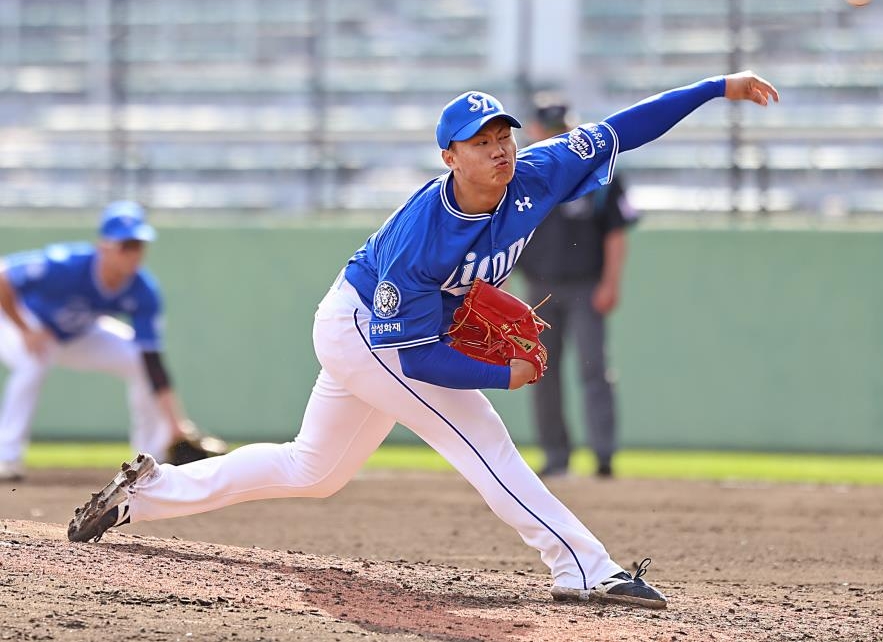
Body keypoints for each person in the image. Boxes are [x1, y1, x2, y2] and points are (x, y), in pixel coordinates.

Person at [67, 71, 780, 609]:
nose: (500, 149)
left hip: (393, 332)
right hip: (364, 330)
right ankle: (582, 567)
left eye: (503, 136)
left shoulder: (537, 171)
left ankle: (147, 493)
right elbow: (414, 358)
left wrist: (717, 87)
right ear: (450, 156)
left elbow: (627, 124)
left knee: (313, 470)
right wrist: (502, 378)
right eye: (482, 142)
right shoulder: (421, 238)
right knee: (482, 438)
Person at [0, 201, 223, 481]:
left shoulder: (143, 290)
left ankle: (149, 458)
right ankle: (6, 458)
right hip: (19, 322)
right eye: (125, 245)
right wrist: (24, 328)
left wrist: (176, 424)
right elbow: (3, 276)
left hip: (77, 332)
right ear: (104, 246)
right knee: (34, 362)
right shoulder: (67, 264)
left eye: (139, 245)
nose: (133, 254)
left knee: (136, 359)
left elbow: (152, 359)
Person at [516, 94, 638, 479]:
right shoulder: (519, 175)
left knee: (593, 368)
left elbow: (616, 234)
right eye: (548, 129)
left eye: (560, 128)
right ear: (534, 130)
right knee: (540, 372)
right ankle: (555, 455)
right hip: (539, 289)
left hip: (586, 285)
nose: (554, 135)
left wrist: (610, 283)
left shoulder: (599, 173)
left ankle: (603, 454)